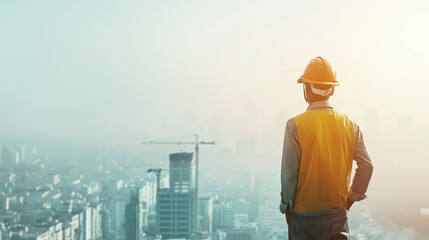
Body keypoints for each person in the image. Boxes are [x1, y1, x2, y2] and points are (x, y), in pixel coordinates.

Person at [279, 56, 373, 239]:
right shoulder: (350, 125)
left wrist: (286, 207)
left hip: (302, 217)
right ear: (332, 90)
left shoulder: (295, 126)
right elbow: (367, 166)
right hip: (336, 215)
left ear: (306, 88)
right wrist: (350, 198)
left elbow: (289, 177)